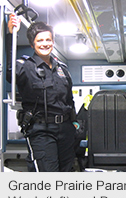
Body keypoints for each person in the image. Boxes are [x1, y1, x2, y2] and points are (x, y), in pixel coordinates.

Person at [7, 14, 78, 172]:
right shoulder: (25, 66)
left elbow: (69, 100)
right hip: (41, 130)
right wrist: (11, 35)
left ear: (53, 42)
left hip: (66, 130)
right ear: (32, 44)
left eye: (48, 40)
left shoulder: (62, 68)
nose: (45, 44)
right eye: (40, 40)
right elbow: (9, 73)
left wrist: (74, 124)